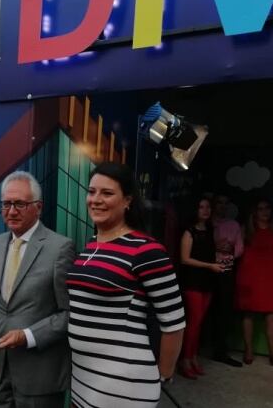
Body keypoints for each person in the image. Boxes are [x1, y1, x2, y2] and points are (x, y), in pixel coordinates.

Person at [67, 162, 185, 407]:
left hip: (123, 384)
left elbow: (173, 322)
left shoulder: (147, 250)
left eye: (107, 193)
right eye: (92, 192)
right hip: (83, 379)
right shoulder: (92, 245)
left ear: (127, 201)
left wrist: (164, 375)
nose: (96, 200)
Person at [0, 171, 75, 408]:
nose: (12, 211)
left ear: (38, 207)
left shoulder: (60, 248)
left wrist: (27, 336)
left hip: (39, 376)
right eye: (6, 204)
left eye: (20, 204)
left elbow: (69, 313)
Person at [236, 198, 273, 367]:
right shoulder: (246, 229)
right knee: (248, 313)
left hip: (270, 277)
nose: (264, 212)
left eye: (267, 208)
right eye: (260, 209)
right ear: (254, 212)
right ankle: (248, 350)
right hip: (249, 275)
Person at [177, 196, 223, 380]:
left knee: (199, 323)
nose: (206, 210)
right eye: (201, 207)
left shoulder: (210, 230)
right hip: (193, 281)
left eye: (208, 207)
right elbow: (184, 259)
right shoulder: (189, 232)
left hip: (207, 281)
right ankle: (185, 360)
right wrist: (209, 265)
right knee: (194, 323)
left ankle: (193, 357)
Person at [209, 194, 244, 367]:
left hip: (226, 271)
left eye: (225, 203)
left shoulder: (233, 225)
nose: (222, 206)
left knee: (224, 312)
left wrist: (229, 252)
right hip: (206, 270)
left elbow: (239, 248)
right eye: (219, 203)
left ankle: (220, 350)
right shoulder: (207, 223)